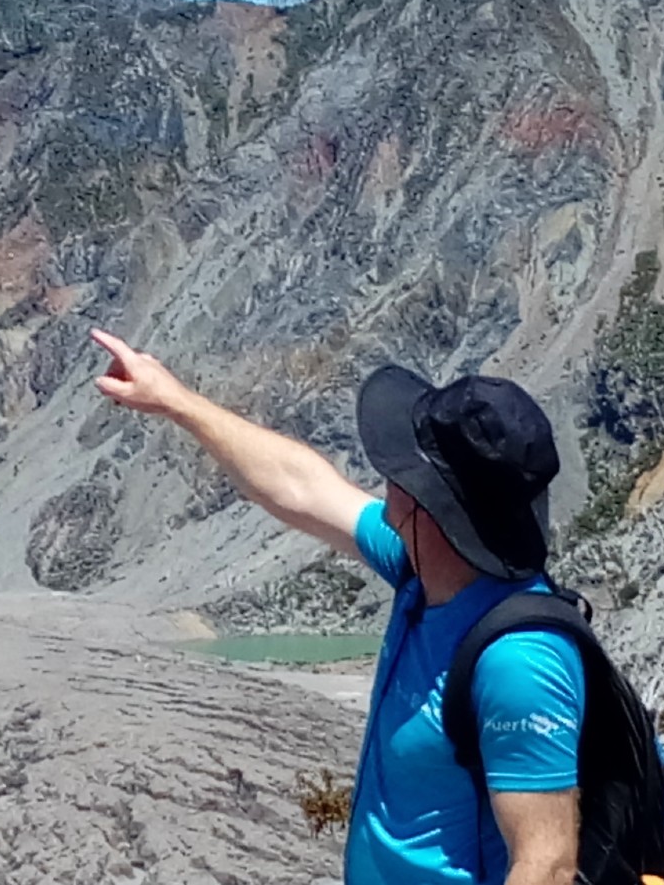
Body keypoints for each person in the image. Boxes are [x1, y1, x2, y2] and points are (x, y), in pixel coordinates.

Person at [90, 328, 584, 885]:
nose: (385, 479)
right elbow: (298, 486)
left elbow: (546, 865)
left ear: (430, 505)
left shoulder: (519, 661)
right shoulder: (421, 566)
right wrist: (176, 401)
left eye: (401, 469)